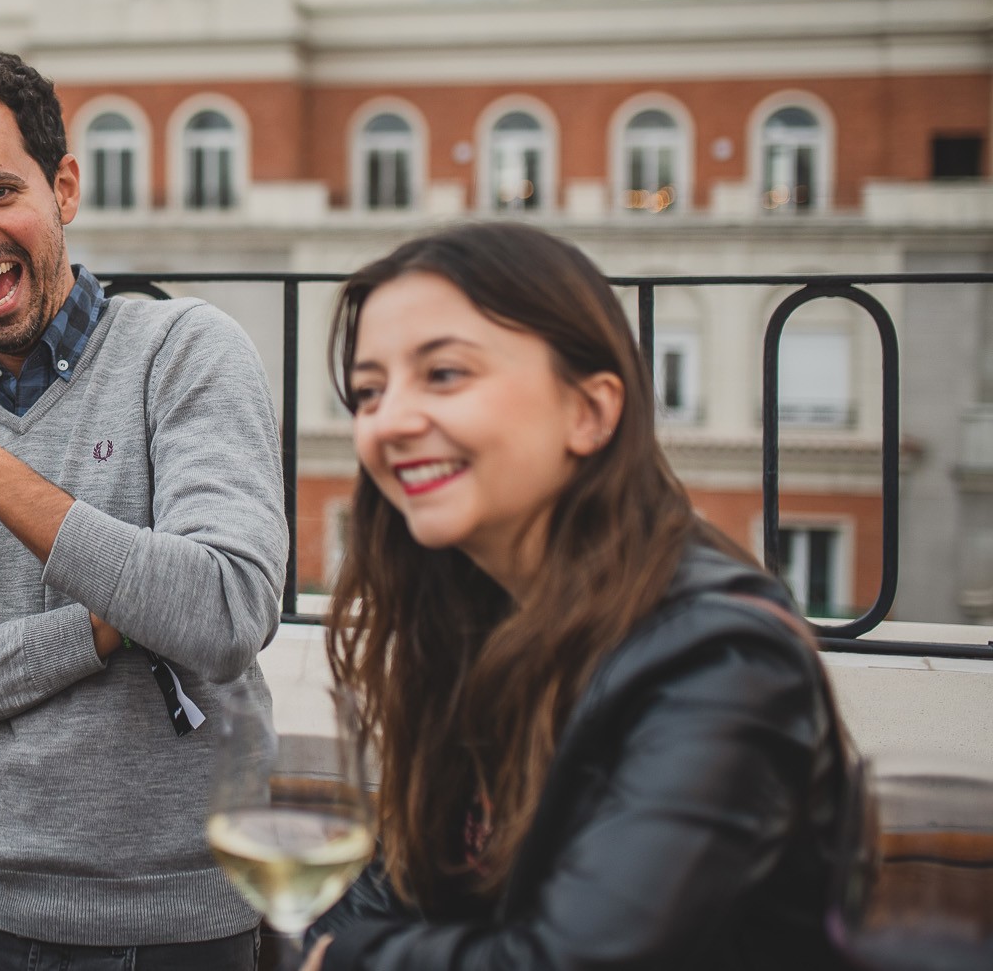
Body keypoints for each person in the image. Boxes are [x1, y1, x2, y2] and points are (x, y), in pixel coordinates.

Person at [0, 52, 287, 970]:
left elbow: (227, 612)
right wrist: (103, 629)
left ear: (64, 187)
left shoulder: (188, 352)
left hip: (177, 926)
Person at [304, 222, 851, 970]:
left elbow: (579, 959)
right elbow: (399, 882)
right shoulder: (479, 618)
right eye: (369, 390)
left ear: (591, 411)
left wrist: (342, 958)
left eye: (444, 374)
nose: (388, 421)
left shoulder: (724, 659)